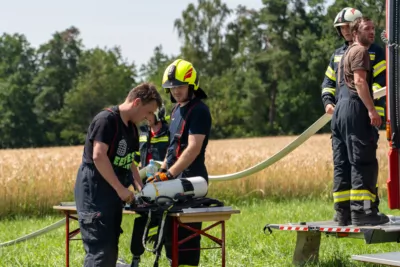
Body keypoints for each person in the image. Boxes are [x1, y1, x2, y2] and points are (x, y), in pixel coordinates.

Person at [73, 82, 162, 267]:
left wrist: (141, 188)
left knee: (110, 249)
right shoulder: (106, 120)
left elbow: (130, 161)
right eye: (148, 112)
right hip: (95, 190)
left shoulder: (131, 128)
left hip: (112, 193)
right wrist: (120, 189)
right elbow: (98, 156)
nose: (148, 118)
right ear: (137, 102)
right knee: (100, 252)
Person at [321, 7, 387, 224]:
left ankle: (344, 213)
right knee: (363, 162)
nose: (345, 32)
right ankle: (363, 213)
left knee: (343, 164)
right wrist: (370, 110)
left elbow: (380, 81)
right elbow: (359, 83)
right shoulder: (360, 52)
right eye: (367, 28)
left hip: (343, 112)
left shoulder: (355, 53)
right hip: (357, 110)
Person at [146, 58, 212, 266]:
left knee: (187, 237)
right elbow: (173, 147)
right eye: (172, 88)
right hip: (173, 176)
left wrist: (170, 174)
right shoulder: (175, 111)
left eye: (180, 87)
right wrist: (163, 169)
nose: (175, 91)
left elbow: (193, 148)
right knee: (169, 234)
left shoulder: (199, 110)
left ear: (192, 85)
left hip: (192, 180)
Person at [138, 104, 170, 171]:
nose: (145, 116)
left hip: (163, 176)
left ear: (159, 114)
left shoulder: (169, 132)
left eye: (149, 113)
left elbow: (172, 155)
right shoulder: (143, 132)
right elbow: (137, 156)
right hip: (145, 177)